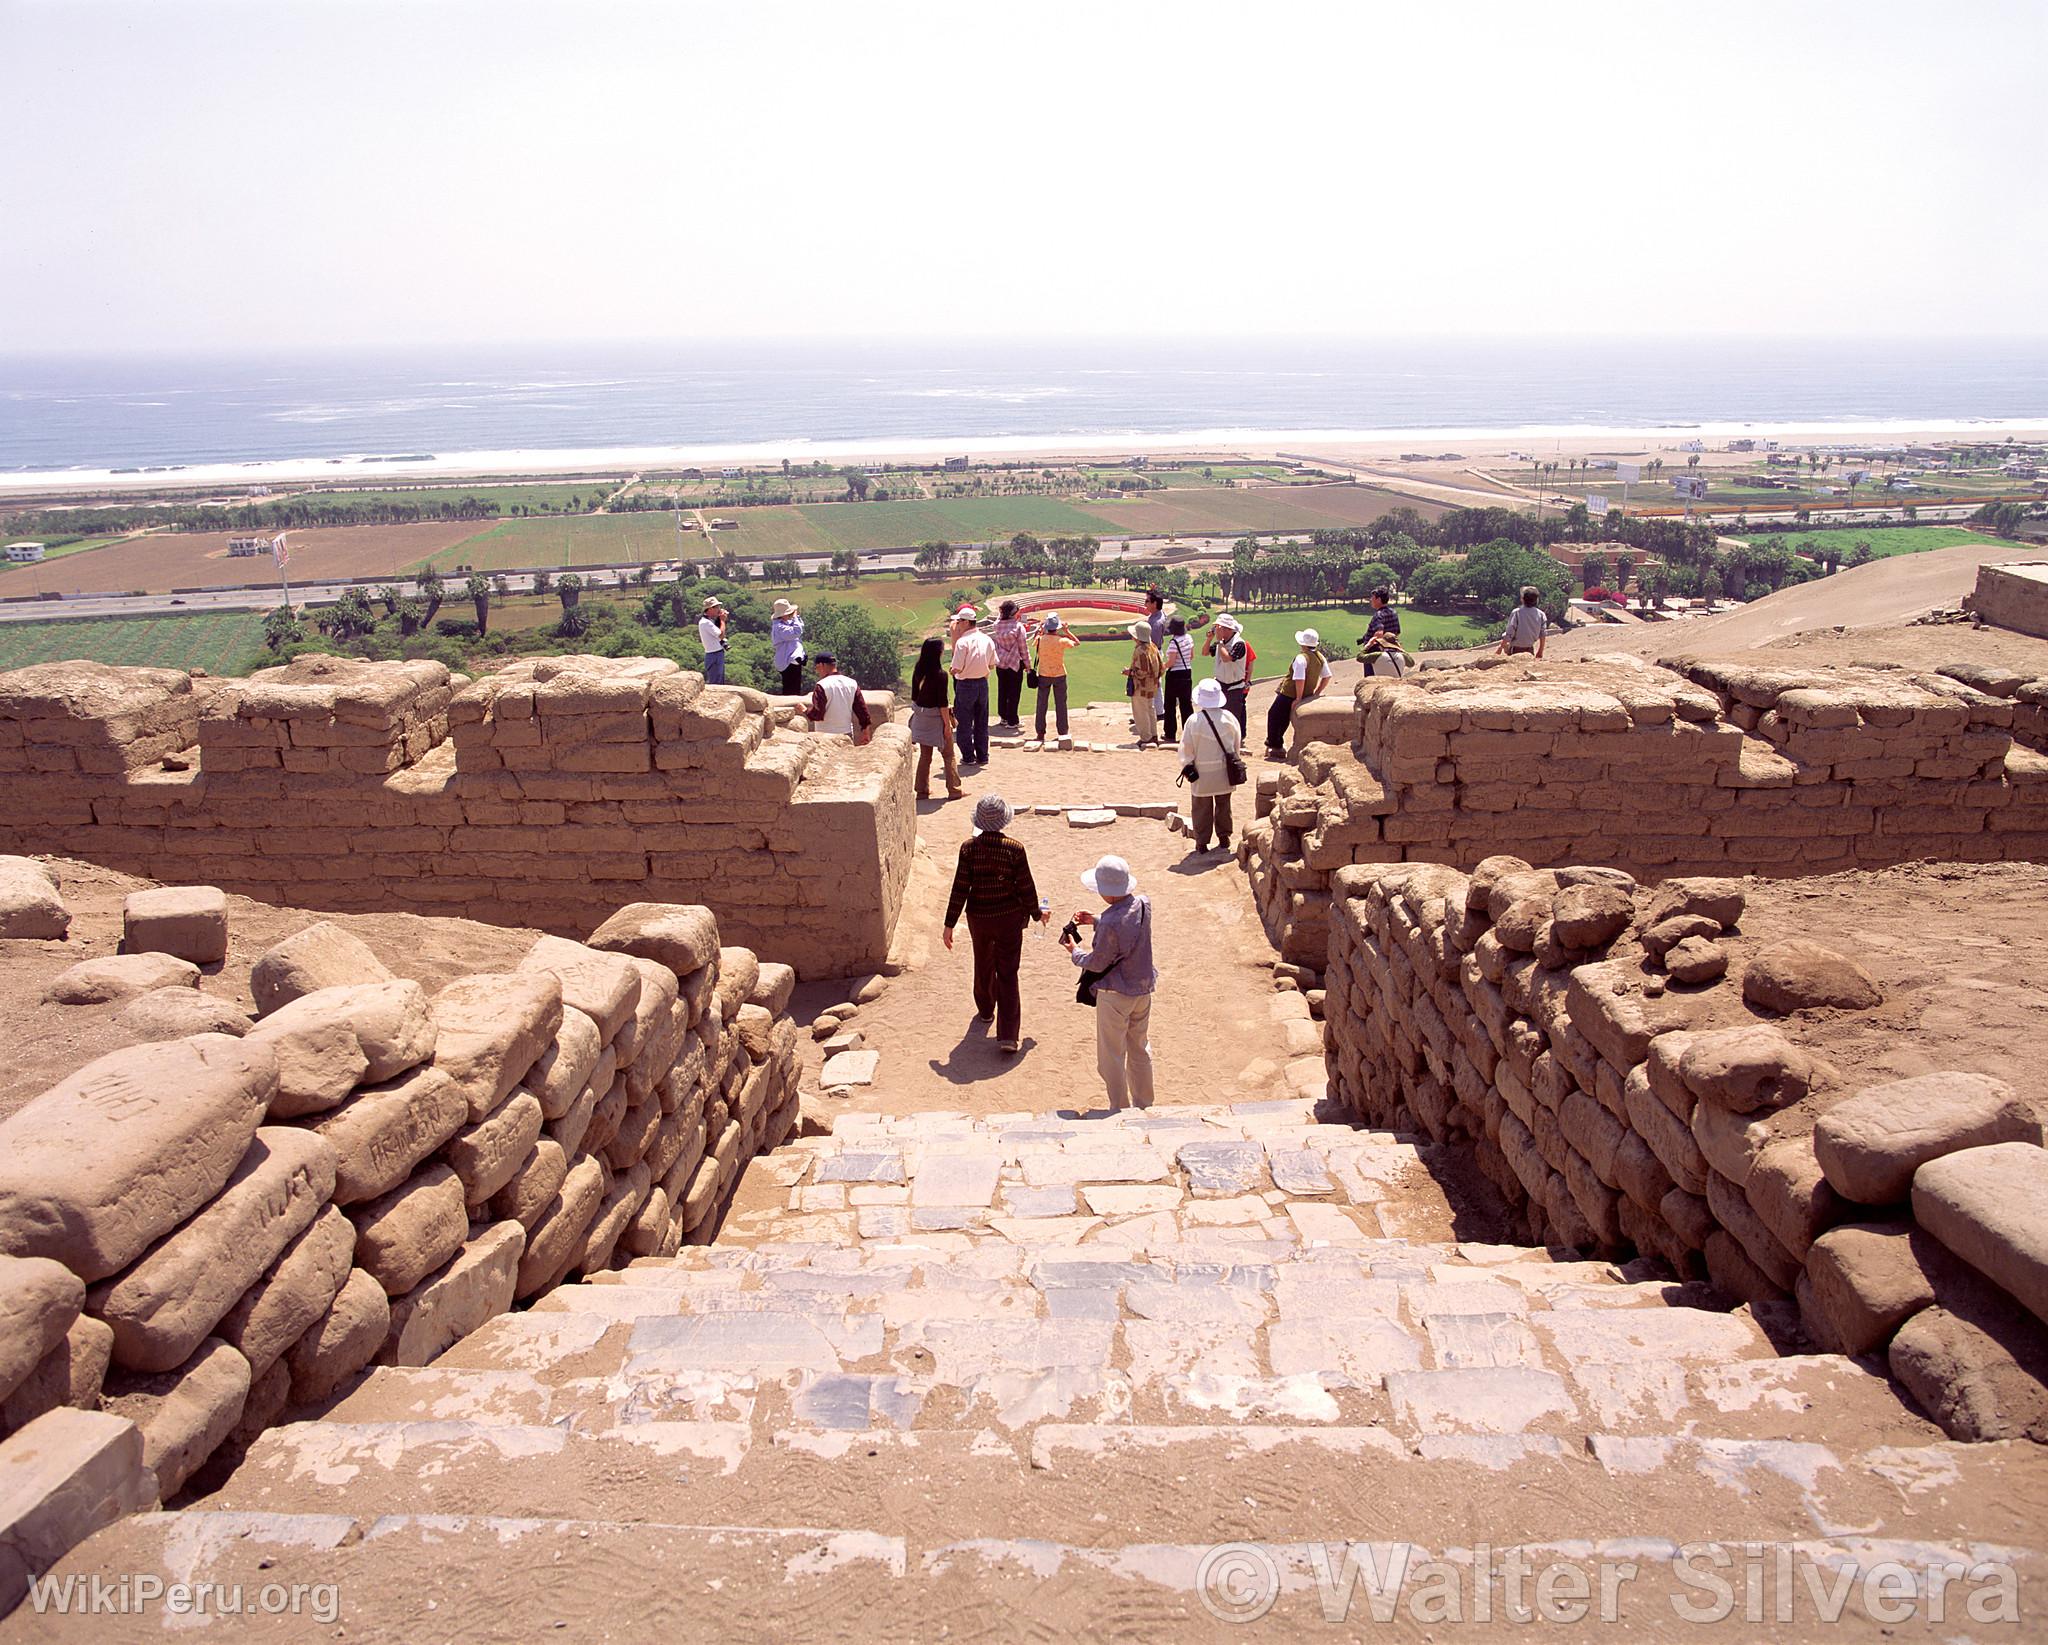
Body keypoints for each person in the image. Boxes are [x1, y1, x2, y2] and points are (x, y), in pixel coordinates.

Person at [942, 793, 1046, 1053]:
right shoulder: (1015, 848)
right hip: (1009, 918)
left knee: (983, 963)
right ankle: (1008, 1035)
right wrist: (1036, 913)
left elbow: (960, 888)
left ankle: (986, 1010)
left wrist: (949, 923)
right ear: (1004, 821)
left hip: (979, 918)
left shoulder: (968, 848)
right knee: (1008, 973)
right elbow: (1025, 886)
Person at [1064, 854, 1155, 1111]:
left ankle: (1120, 1107)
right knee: (1139, 1047)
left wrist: (1074, 951)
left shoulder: (1110, 922)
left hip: (1115, 994)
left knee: (1111, 1056)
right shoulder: (1144, 905)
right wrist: (1096, 920)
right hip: (1142, 987)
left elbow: (1097, 962)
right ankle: (1145, 1103)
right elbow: (1126, 924)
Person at [1178, 677, 1243, 853]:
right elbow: (1236, 745)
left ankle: (1202, 842)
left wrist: (1187, 765)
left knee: (1201, 808)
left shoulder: (1193, 720)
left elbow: (1186, 748)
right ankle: (1224, 837)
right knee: (1224, 805)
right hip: (1224, 773)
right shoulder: (1229, 718)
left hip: (1202, 774)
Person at [907, 637, 963, 800]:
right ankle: (954, 790)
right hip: (936, 718)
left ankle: (922, 790)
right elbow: (942, 704)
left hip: (922, 717)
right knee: (948, 754)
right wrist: (947, 725)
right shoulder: (940, 675)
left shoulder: (918, 669)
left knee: (925, 756)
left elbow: (914, 696)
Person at [1264, 627, 1329, 760]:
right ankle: (1276, 744)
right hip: (1307, 694)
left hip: (1289, 694)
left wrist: (1298, 698)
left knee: (1274, 715)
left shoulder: (1301, 658)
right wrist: (1316, 692)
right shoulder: (1320, 657)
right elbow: (1327, 676)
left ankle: (1275, 745)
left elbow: (1299, 679)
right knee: (1283, 718)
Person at [948, 608, 996, 767]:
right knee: (981, 720)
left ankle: (968, 756)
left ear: (966, 622)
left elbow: (957, 668)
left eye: (959, 621)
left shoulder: (962, 642)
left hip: (965, 684)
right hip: (982, 683)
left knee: (964, 722)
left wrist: (952, 671)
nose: (957, 624)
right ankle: (983, 755)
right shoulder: (987, 639)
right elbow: (992, 664)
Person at [798, 652, 872, 742]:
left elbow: (817, 715)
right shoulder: (852, 683)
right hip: (846, 734)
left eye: (817, 667)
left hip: (825, 736)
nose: (817, 671)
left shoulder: (822, 685)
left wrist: (805, 710)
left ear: (822, 665)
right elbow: (862, 711)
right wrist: (865, 732)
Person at [1030, 613, 1078, 741]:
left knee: (1041, 704)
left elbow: (1034, 642)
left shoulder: (1040, 639)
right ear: (1057, 628)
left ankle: (1040, 733)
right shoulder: (1062, 640)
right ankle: (1063, 732)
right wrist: (1067, 631)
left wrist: (1040, 631)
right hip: (1059, 674)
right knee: (1061, 704)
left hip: (1044, 674)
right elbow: (1077, 643)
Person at [1205, 611, 1250, 733]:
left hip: (1234, 688)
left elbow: (1227, 659)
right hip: (1220, 684)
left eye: (1219, 628)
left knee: (1232, 719)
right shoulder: (1222, 643)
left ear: (1227, 629)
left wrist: (1219, 641)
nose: (1217, 630)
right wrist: (1209, 639)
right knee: (1219, 718)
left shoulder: (1239, 644)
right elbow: (1205, 652)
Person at [1125, 622, 1164, 747]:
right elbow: (1162, 668)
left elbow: (1142, 672)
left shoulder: (1140, 651)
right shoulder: (1153, 646)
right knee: (1150, 710)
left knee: (1141, 712)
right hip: (1152, 686)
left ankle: (1146, 738)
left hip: (1140, 687)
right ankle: (1153, 735)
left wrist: (1129, 672)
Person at [991, 600, 1028, 731]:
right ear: (1014, 613)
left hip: (1000, 663)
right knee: (1014, 693)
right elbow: (1023, 648)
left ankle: (1004, 717)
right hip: (1014, 663)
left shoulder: (996, 626)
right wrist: (1028, 666)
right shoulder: (1018, 628)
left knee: (1003, 690)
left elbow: (999, 618)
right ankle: (1013, 721)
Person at [1358, 586, 1409, 678]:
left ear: (1379, 599)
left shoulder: (1379, 615)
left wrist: (1370, 644)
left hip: (1375, 652)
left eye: (1372, 598)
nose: (1370, 600)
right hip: (1392, 650)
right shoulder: (1393, 612)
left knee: (1371, 679)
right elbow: (1396, 632)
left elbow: (1379, 633)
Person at [1160, 616, 1196, 740]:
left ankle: (1170, 733)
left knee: (1170, 705)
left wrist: (1163, 667)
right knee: (1186, 705)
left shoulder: (1174, 642)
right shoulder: (1189, 638)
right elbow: (1191, 656)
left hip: (1175, 675)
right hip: (1187, 672)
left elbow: (1172, 662)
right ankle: (1189, 733)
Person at [1499, 585, 1549, 657]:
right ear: (1537, 600)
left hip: (1515, 650)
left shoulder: (1517, 613)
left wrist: (1500, 648)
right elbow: (1542, 634)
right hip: (1529, 650)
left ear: (1522, 599)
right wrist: (1540, 651)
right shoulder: (1541, 614)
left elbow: (1510, 633)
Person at [770, 599, 806, 695]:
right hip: (787, 661)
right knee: (791, 689)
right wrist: (794, 617)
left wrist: (796, 617)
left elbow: (801, 627)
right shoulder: (779, 627)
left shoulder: (785, 624)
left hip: (791, 660)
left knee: (795, 688)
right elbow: (797, 631)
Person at [1143, 588, 1168, 723]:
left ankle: (1157, 712)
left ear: (1154, 604)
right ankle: (1159, 711)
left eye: (1147, 601)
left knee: (1153, 683)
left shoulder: (1156, 623)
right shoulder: (1159, 615)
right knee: (1156, 683)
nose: (1145, 604)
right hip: (1157, 651)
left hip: (1153, 652)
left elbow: (1153, 643)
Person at [697, 596, 729, 685]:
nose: (719, 609)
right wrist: (722, 621)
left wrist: (719, 619)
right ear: (710, 609)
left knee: (720, 681)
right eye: (717, 607)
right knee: (716, 683)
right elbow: (721, 635)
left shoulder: (709, 621)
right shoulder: (705, 622)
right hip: (714, 655)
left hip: (716, 654)